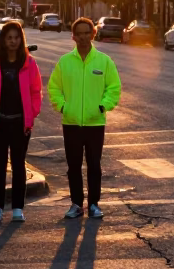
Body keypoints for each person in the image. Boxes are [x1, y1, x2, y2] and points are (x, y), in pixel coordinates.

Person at [48, 17, 121, 220]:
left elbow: (113, 88)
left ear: (93, 34)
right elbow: (54, 88)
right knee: (73, 166)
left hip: (95, 122)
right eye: (78, 33)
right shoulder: (65, 62)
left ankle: (94, 204)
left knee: (94, 166)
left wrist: (103, 106)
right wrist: (63, 106)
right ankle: (76, 204)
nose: (82, 37)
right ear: (73, 36)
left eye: (86, 33)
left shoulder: (104, 61)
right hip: (71, 123)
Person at [0, 21, 42, 223]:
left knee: (18, 165)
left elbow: (35, 91)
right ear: (3, 40)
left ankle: (17, 208)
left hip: (20, 123)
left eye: (16, 37)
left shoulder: (29, 63)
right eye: (9, 38)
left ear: (21, 39)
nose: (13, 41)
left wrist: (31, 114)